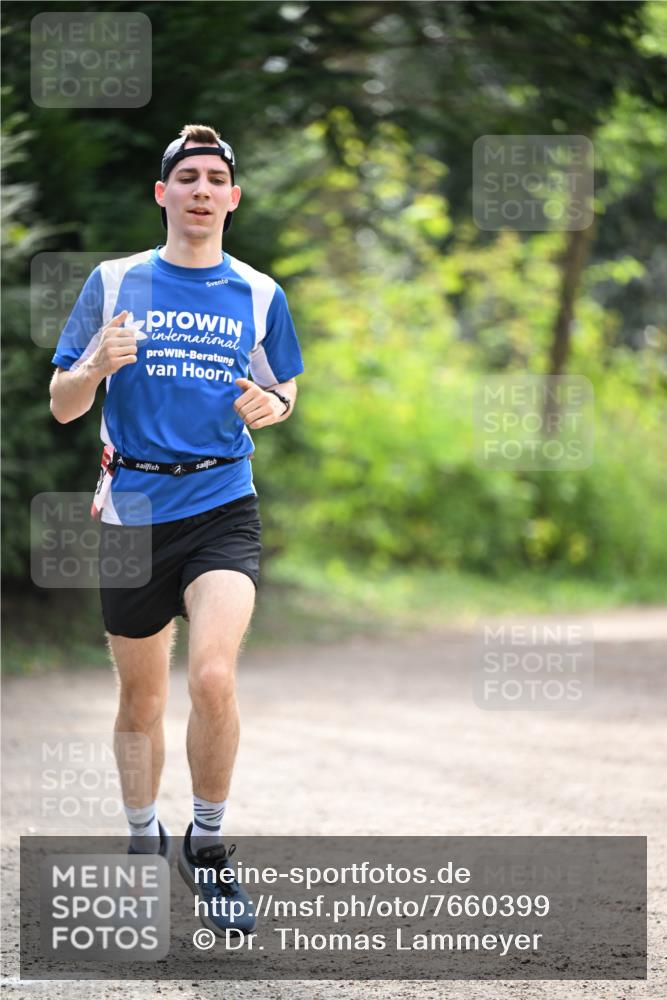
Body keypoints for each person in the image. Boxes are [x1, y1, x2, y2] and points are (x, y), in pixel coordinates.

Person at [49, 123, 304, 934]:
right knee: (140, 698)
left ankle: (210, 846)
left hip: (222, 502)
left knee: (213, 679)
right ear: (162, 194)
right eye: (186, 177)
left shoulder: (260, 294)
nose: (200, 189)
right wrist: (94, 365)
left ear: (232, 197)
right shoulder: (115, 281)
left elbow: (283, 390)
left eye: (214, 179)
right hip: (132, 511)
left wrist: (275, 405)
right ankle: (140, 838)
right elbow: (63, 403)